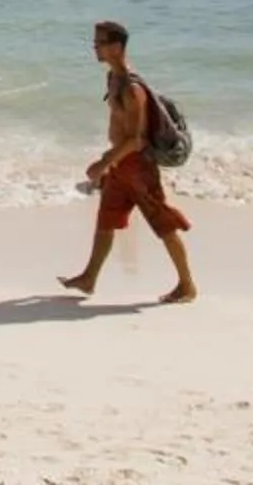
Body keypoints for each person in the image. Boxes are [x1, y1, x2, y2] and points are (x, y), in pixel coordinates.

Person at [57, 19, 196, 305]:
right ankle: (89, 278)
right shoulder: (113, 78)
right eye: (95, 43)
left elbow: (136, 139)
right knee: (106, 219)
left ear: (117, 47)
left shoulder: (133, 89)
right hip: (121, 166)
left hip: (138, 167)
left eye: (100, 43)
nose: (95, 48)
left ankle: (187, 285)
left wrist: (102, 163)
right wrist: (110, 163)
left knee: (163, 223)